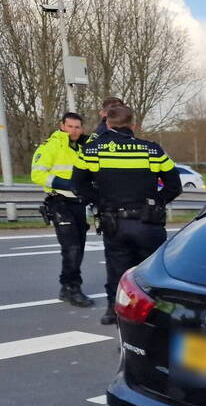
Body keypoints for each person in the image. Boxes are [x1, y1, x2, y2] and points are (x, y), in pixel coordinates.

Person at [71, 104, 181, 325]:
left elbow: (77, 185)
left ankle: (114, 309)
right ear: (133, 124)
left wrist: (100, 201)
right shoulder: (152, 150)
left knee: (117, 269)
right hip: (148, 221)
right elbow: (174, 185)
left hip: (115, 222)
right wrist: (157, 202)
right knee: (151, 270)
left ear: (108, 124)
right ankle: (156, 312)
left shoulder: (93, 150)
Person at [30, 112, 94, 307]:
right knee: (72, 247)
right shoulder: (51, 146)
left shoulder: (84, 147)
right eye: (70, 126)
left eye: (77, 127)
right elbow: (37, 174)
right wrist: (67, 184)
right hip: (59, 201)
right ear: (62, 126)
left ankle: (67, 287)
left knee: (79, 247)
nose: (74, 131)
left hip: (78, 203)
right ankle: (72, 288)